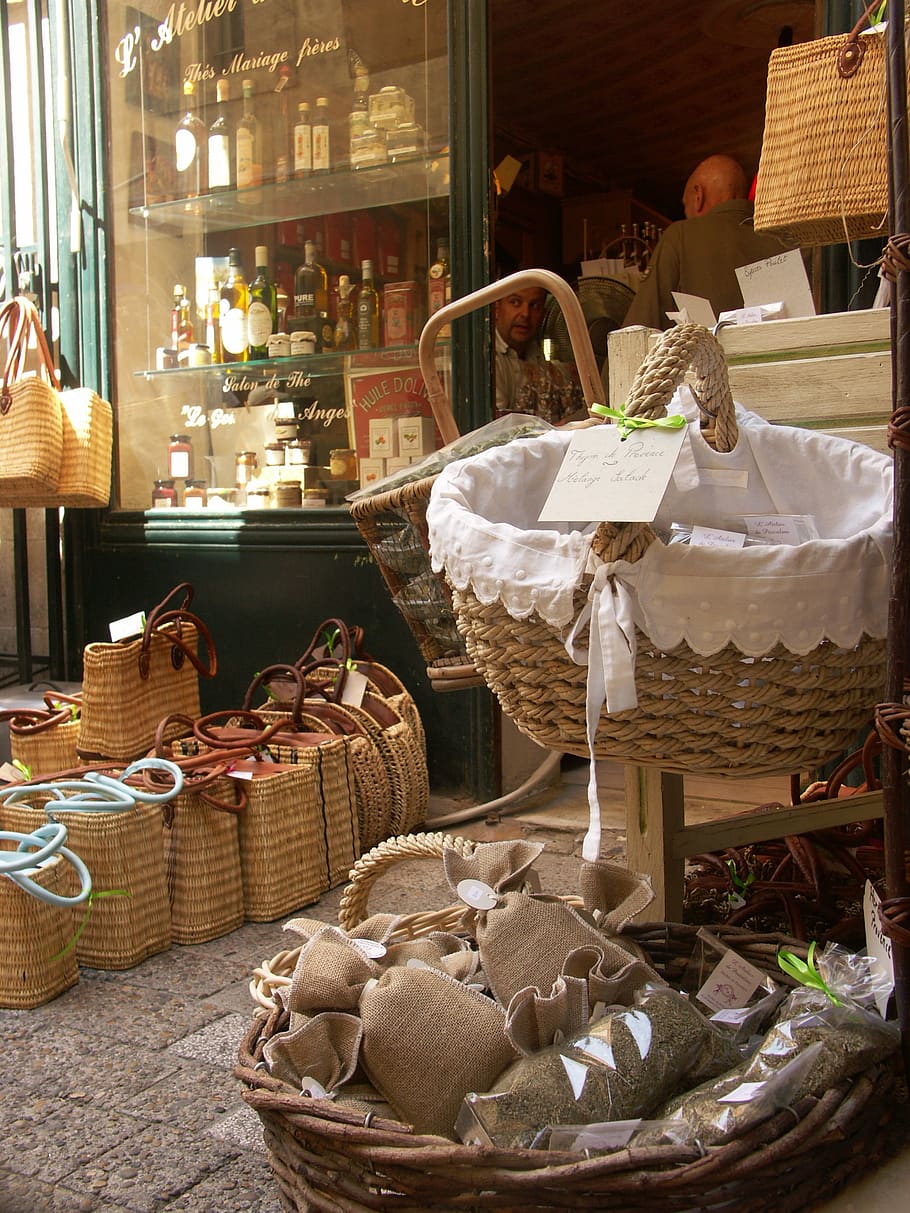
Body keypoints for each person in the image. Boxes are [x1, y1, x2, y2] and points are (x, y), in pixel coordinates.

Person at [622, 154, 794, 331]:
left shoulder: (680, 235)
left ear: (698, 195)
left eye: (684, 205)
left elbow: (637, 328)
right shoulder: (789, 240)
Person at [494, 284, 586, 423]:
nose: (525, 314)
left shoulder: (537, 355)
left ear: (543, 315)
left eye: (534, 306)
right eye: (515, 302)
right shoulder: (487, 358)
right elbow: (497, 427)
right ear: (497, 308)